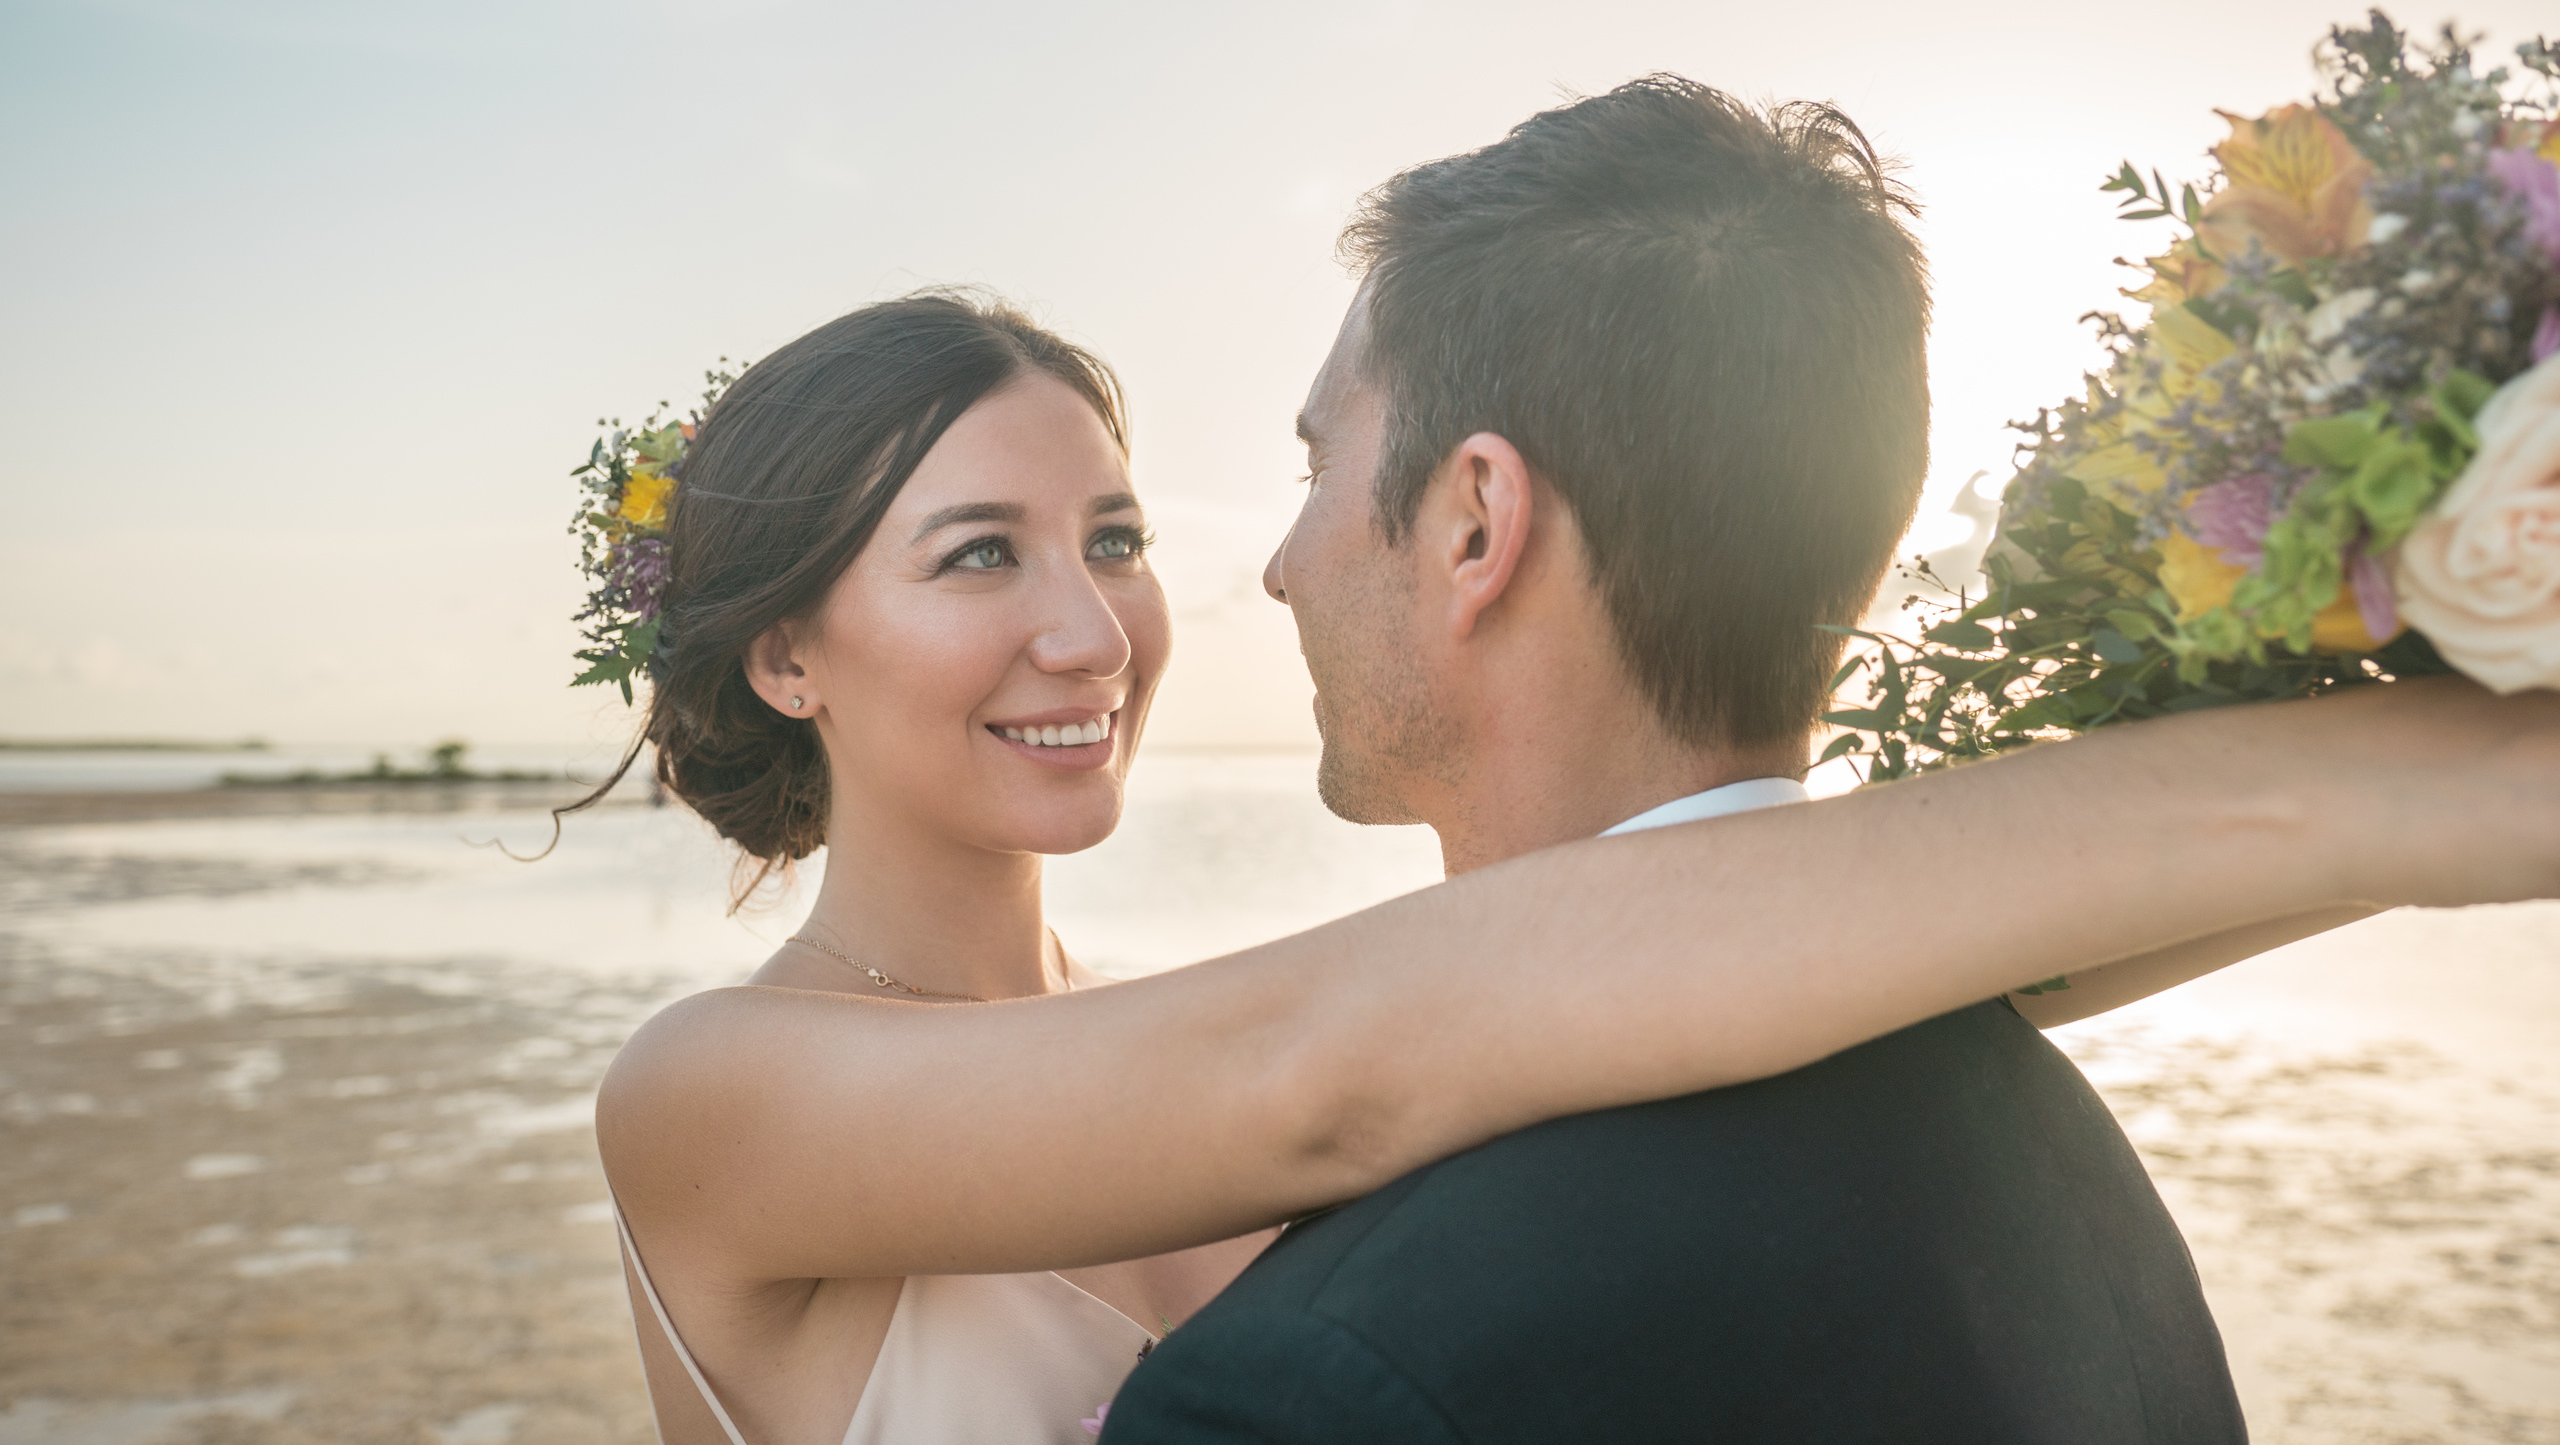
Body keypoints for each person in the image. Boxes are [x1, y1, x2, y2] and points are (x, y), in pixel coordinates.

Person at [594, 171, 2560, 1445]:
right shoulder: (717, 1094)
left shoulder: (1180, 1026)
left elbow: (1790, 959)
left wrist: (2424, 738)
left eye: (1106, 534)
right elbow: (1336, 1066)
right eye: (973, 557)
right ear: (786, 654)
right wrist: (2405, 789)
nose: (1088, 623)